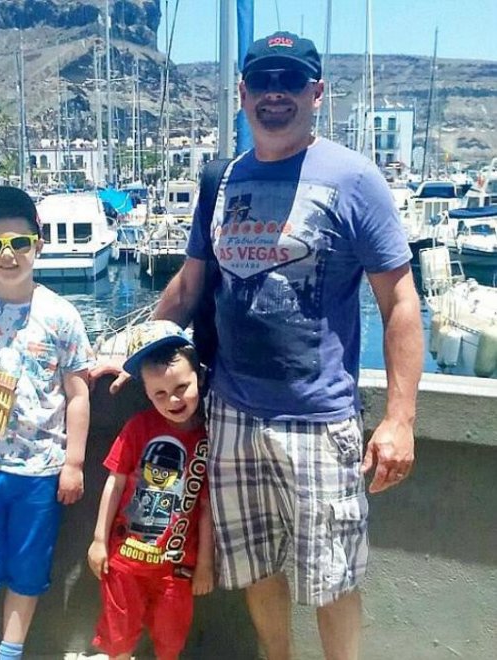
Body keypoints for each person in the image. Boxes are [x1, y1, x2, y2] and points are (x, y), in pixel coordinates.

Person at [99, 31, 424, 660]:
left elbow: (401, 302)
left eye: (291, 80)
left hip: (318, 419)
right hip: (232, 412)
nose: (277, 93)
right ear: (243, 93)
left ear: (316, 92)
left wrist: (400, 418)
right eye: (264, 81)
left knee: (333, 577)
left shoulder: (354, 178)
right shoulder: (223, 180)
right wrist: (131, 346)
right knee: (254, 564)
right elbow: (191, 282)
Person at [0, 186, 91, 660]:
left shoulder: (62, 316)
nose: (8, 255)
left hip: (41, 472)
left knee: (28, 571)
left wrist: (73, 463)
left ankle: (9, 653)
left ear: (37, 245)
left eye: (19, 243)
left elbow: (78, 394)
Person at [88, 320, 215, 660]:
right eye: (159, 393)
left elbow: (206, 507)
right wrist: (99, 540)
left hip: (177, 569)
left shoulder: (208, 438)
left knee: (171, 639)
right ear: (146, 393)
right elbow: (114, 482)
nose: (172, 399)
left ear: (199, 378)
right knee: (118, 637)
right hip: (124, 562)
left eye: (181, 387)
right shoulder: (138, 427)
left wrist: (205, 563)